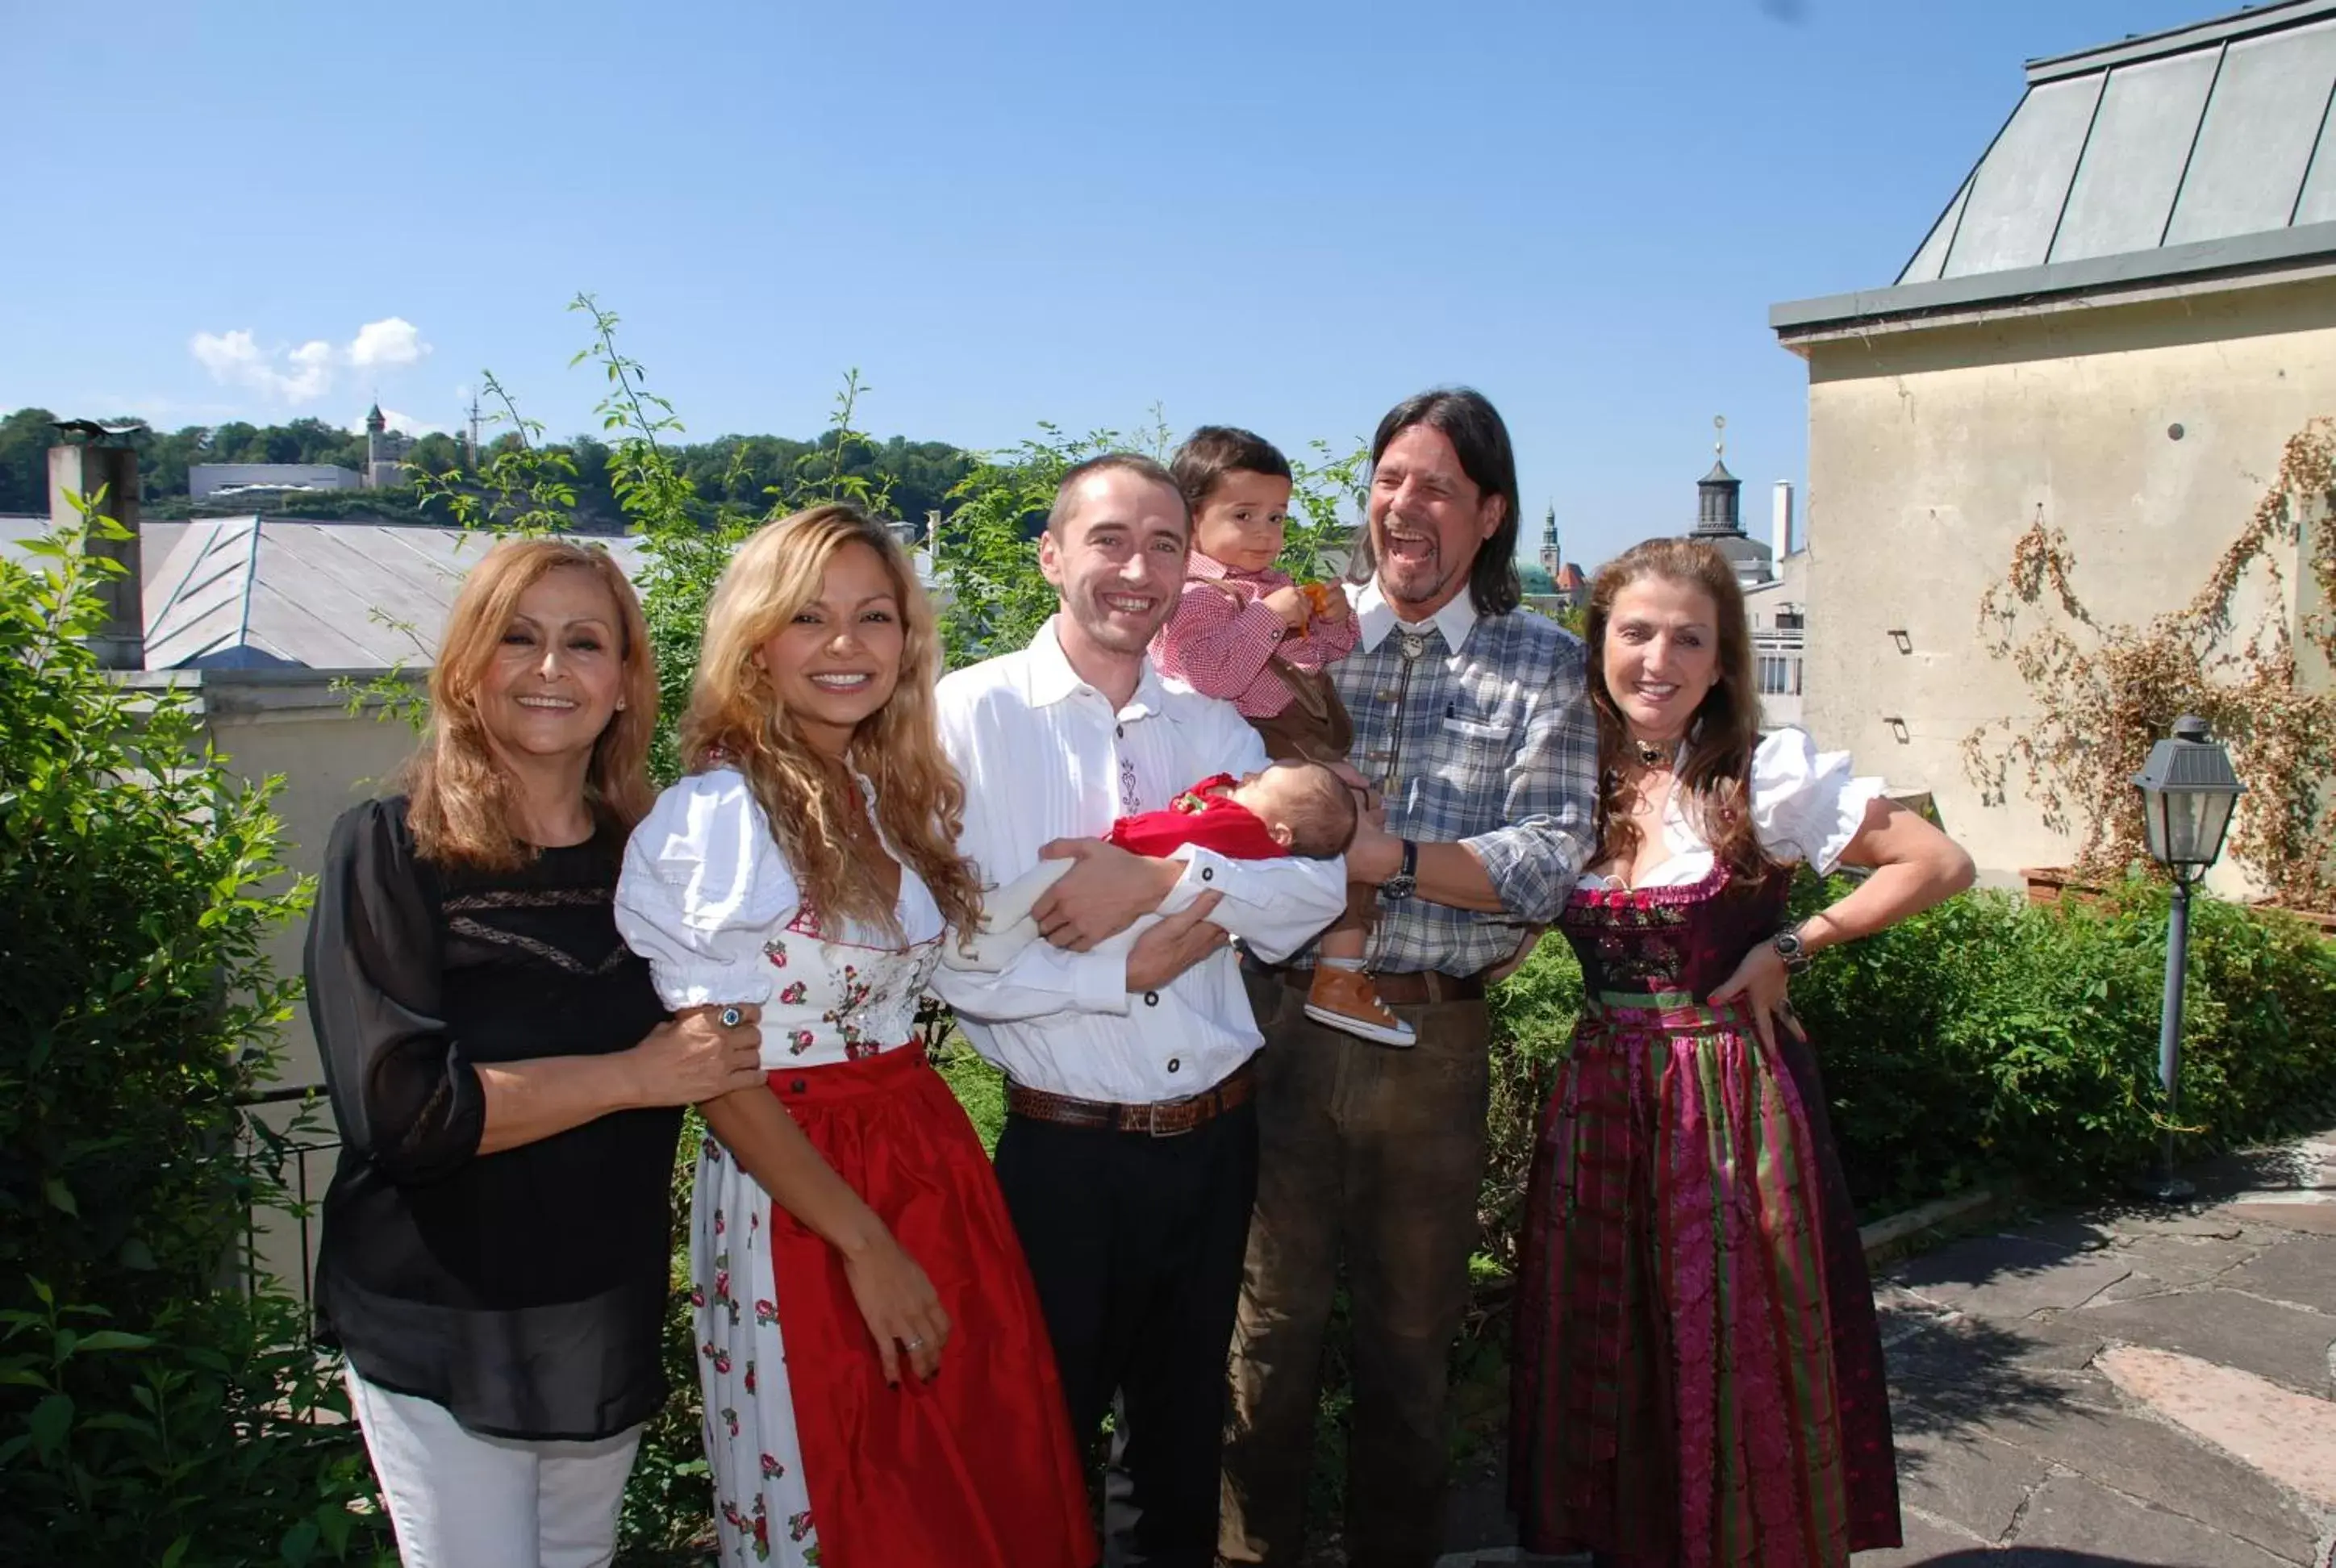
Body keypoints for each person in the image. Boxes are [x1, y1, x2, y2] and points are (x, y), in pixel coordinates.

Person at [611, 504, 1095, 1568]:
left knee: (964, 1472)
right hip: (801, 1182)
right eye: (808, 617)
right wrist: (865, 1244)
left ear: (907, 642)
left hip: (925, 1158)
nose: (845, 646)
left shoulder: (885, 796)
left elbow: (962, 966)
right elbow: (722, 1080)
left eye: (874, 618)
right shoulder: (719, 818)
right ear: (755, 644)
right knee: (854, 1485)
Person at [1509, 537, 1973, 1566]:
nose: (1657, 659)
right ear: (1600, 647)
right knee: (1617, 1343)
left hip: (1729, 1098)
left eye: (1688, 638)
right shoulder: (1567, 779)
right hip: (1598, 1102)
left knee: (1733, 1341)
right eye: (1634, 632)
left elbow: (1938, 862)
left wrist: (1793, 944)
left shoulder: (1761, 776)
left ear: (1722, 664)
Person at [304, 538, 768, 1567]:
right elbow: (407, 1117)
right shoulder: (390, 848)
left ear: (622, 683)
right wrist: (636, 1078)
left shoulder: (662, 855)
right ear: (469, 667)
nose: (551, 668)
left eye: (584, 642)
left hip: (601, 1296)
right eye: (519, 637)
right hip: (445, 1310)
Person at [931, 453, 1348, 1568]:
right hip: (1065, 1158)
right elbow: (948, 958)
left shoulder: (1208, 724)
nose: (1141, 568)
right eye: (1112, 538)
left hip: (1216, 1143)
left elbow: (1315, 883)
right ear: (1053, 554)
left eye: (1168, 543)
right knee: (1040, 1449)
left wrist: (1156, 880)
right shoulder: (964, 722)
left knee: (1174, 1464)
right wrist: (1125, 967)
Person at [1220, 389, 1599, 1568]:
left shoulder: (1546, 662)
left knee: (1409, 1344)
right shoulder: (1300, 636)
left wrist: (1383, 858)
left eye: (1435, 485)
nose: (1402, 505)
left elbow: (1547, 859)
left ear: (1490, 511)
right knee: (1263, 1338)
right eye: (1389, 479)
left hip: (1431, 1044)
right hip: (1271, 1016)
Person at [1149, 425, 1411, 1046]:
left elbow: (1313, 658)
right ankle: (1339, 974)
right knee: (1349, 817)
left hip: (1296, 733)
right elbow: (1212, 675)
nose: (1266, 533)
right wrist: (1268, 618)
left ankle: (1335, 967)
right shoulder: (1197, 596)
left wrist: (1334, 623)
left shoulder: (1268, 586)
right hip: (1257, 739)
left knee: (1359, 815)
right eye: (1243, 516)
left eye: (1276, 516)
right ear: (1190, 521)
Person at [944, 759, 1358, 973]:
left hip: (1123, 860)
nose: (1248, 777)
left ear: (1281, 833)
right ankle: (995, 948)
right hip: (1143, 916)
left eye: (1260, 783)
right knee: (1051, 912)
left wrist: (1126, 842)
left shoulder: (1240, 827)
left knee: (1052, 877)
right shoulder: (1257, 840)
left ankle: (991, 916)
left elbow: (1177, 831)